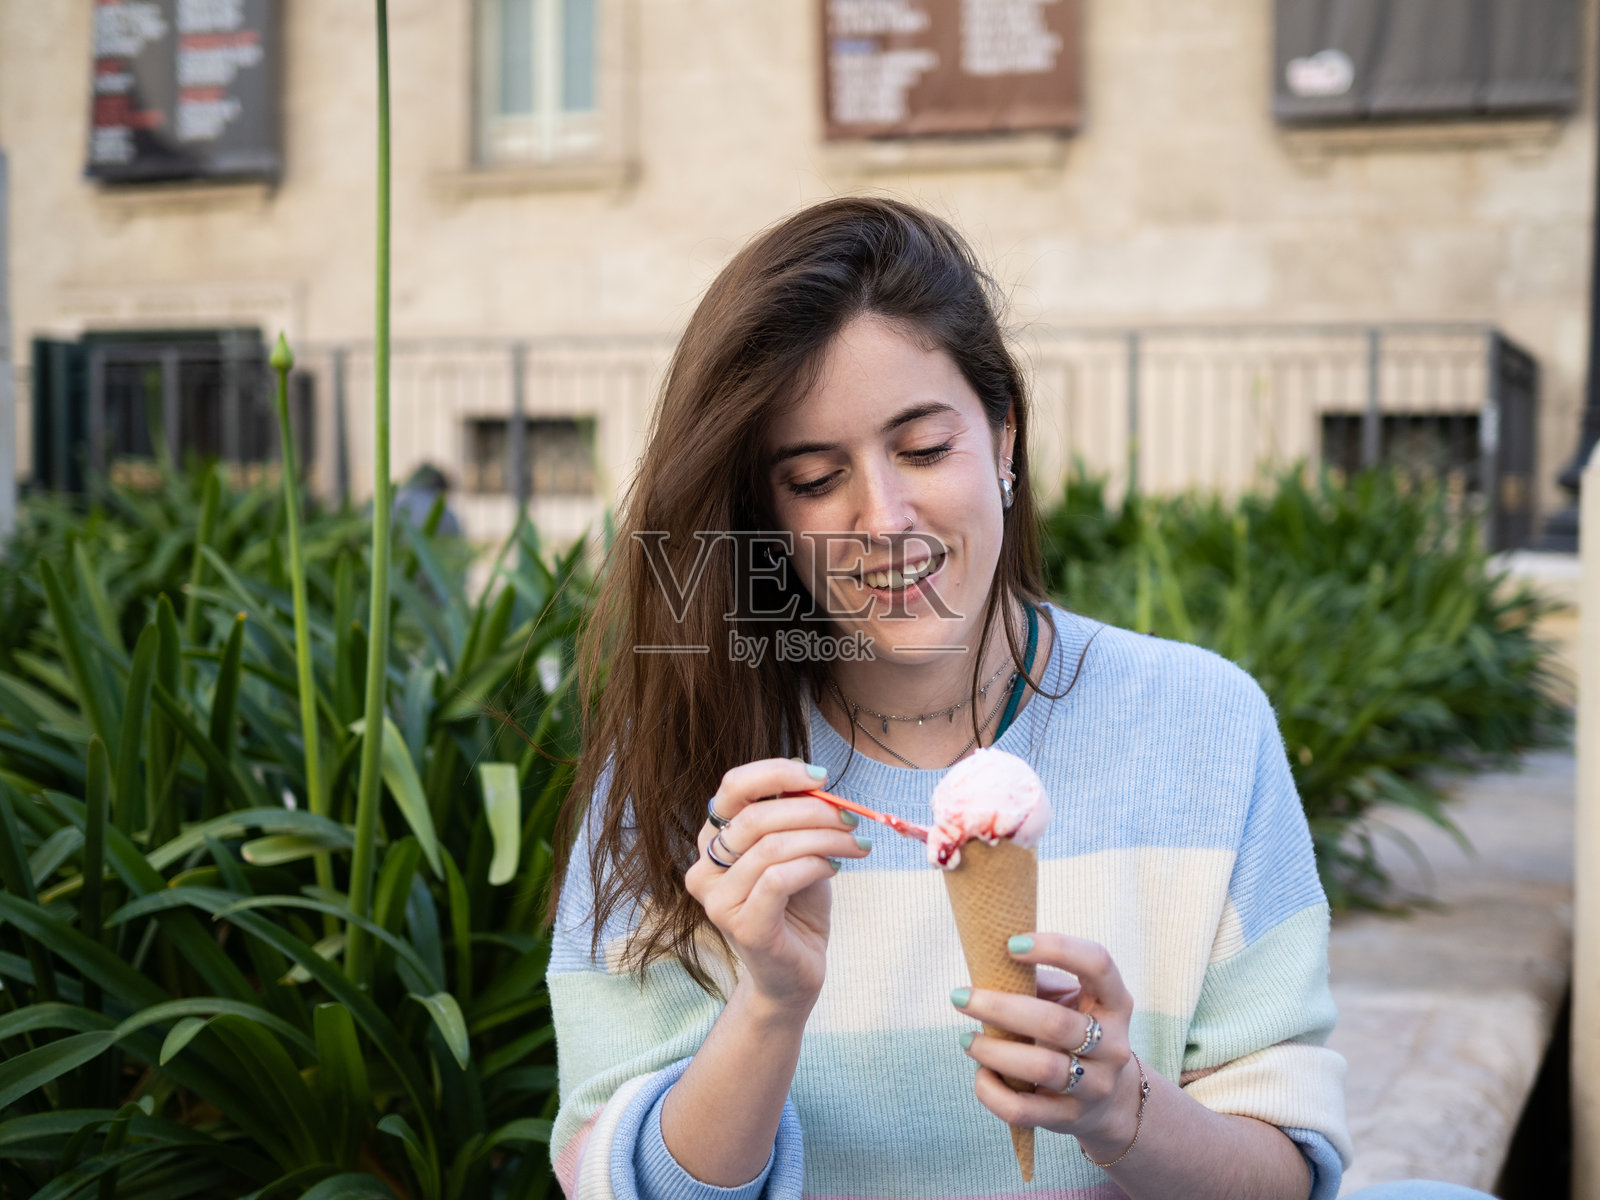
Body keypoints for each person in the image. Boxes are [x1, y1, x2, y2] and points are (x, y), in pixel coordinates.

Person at [545, 198, 1493, 1200]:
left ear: (1002, 442)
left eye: (922, 450)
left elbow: (1290, 1178)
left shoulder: (1202, 725)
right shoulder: (693, 765)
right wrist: (770, 1004)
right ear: (765, 515)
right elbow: (610, 1182)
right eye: (818, 479)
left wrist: (1119, 1109)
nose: (886, 519)